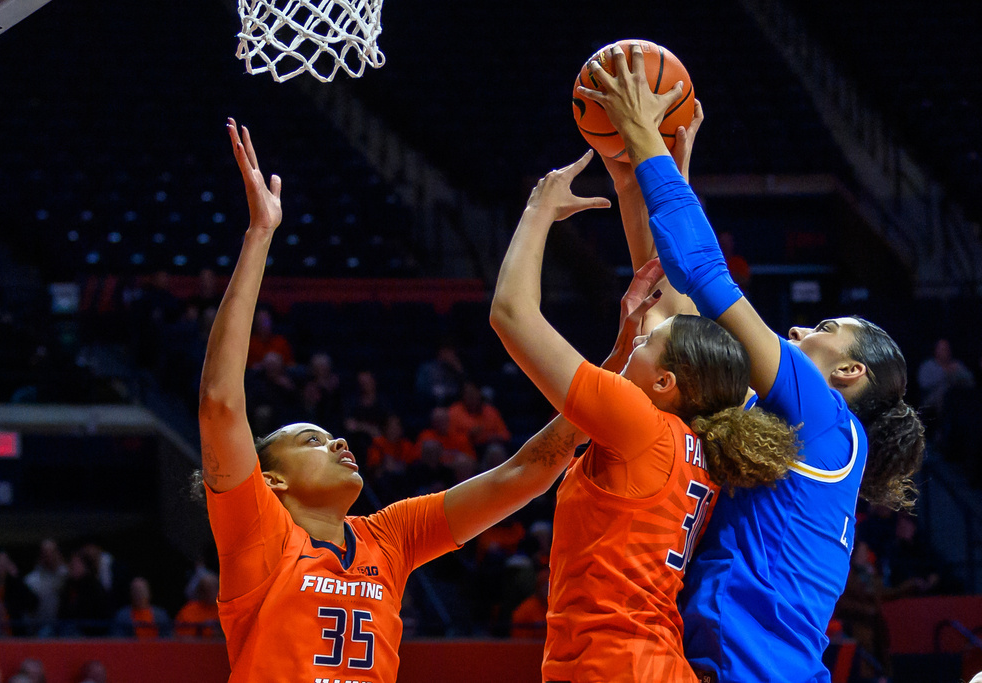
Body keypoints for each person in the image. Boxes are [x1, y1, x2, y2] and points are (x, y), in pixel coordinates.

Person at [577, 43, 926, 682]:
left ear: (850, 373)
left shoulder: (825, 420)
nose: (798, 328)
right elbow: (669, 315)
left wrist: (642, 134)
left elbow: (707, 276)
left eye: (824, 329)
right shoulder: (784, 430)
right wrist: (635, 178)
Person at [196, 118, 592, 682]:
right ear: (272, 482)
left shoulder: (389, 536)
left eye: (329, 434)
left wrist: (608, 384)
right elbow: (219, 403)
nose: (337, 440)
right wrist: (260, 234)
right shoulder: (258, 532)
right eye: (311, 440)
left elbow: (524, 472)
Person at [490, 155, 798, 681]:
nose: (638, 334)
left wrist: (540, 207)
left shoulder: (638, 423)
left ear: (666, 383)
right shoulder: (696, 442)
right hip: (645, 661)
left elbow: (511, 313)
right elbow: (669, 300)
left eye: (647, 341)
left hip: (614, 665)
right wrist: (655, 166)